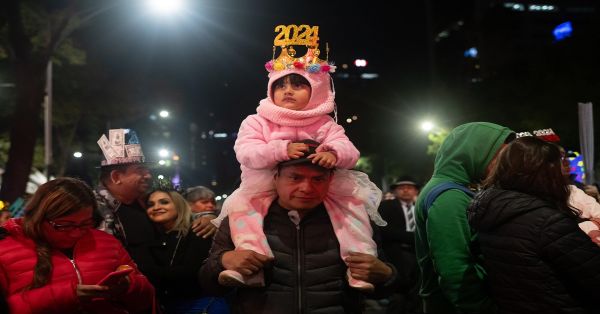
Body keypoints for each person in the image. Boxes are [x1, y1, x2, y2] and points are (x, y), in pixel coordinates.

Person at [213, 25, 385, 289]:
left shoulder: (325, 123)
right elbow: (245, 153)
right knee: (242, 213)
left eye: (298, 84)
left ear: (316, 88)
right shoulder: (256, 121)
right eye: (280, 84)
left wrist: (333, 153)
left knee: (353, 209)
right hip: (259, 185)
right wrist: (281, 150)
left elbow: (351, 153)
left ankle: (360, 267)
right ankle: (249, 270)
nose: (288, 90)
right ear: (270, 89)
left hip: (319, 185)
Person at [199, 151, 398, 313]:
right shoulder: (240, 217)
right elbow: (207, 283)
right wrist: (223, 260)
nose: (306, 187)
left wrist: (386, 274)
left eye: (318, 179)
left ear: (331, 180)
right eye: (295, 177)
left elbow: (382, 284)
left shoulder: (354, 219)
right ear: (275, 178)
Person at [468, 136, 600, 313]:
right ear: (544, 172)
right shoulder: (547, 222)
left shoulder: (490, 209)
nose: (563, 171)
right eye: (558, 165)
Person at [0, 177, 155, 313]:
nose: (76, 233)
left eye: (85, 224)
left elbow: (147, 298)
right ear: (38, 217)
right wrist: (67, 295)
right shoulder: (5, 248)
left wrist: (128, 286)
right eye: (64, 225)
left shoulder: (106, 242)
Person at [414, 122, 514, 314]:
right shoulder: (449, 197)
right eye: (501, 157)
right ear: (475, 153)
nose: (506, 165)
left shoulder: (448, 188)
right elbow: (455, 271)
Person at [141, 185, 224, 314]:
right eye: (151, 204)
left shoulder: (198, 229)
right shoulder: (155, 236)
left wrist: (142, 270)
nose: (156, 207)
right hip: (170, 306)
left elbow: (190, 272)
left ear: (179, 204)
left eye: (164, 202)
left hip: (202, 305)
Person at [95, 129, 159, 269]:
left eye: (147, 170)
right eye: (140, 170)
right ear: (116, 177)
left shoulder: (151, 202)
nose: (148, 176)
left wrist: (205, 217)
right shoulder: (91, 210)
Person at [378, 176, 422, 314]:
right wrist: (415, 238)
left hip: (418, 254)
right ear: (395, 191)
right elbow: (384, 230)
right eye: (401, 187)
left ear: (416, 191)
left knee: (417, 292)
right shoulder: (386, 206)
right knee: (397, 295)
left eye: (410, 187)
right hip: (396, 254)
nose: (406, 190)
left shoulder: (421, 207)